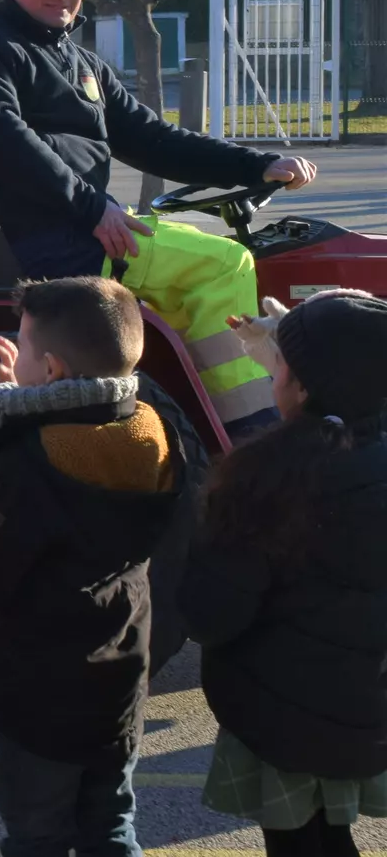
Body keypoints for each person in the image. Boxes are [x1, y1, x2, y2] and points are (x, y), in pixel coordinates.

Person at [0, 0, 319, 433]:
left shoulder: (81, 62)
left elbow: (153, 140)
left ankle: (194, 425)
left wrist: (257, 164)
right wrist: (92, 208)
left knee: (189, 292)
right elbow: (4, 140)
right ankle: (255, 430)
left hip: (80, 224)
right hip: (56, 237)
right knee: (226, 265)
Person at [0, 277, 188, 857]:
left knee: (36, 837)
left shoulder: (30, 461)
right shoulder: (153, 433)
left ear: (55, 371)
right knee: (112, 828)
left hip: (37, 698)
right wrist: (23, 397)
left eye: (25, 344)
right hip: (118, 683)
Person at [182, 290, 387, 857]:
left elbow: (210, 612)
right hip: (362, 707)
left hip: (277, 714)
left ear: (300, 388)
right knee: (333, 836)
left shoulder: (263, 484)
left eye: (280, 367)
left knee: (297, 842)